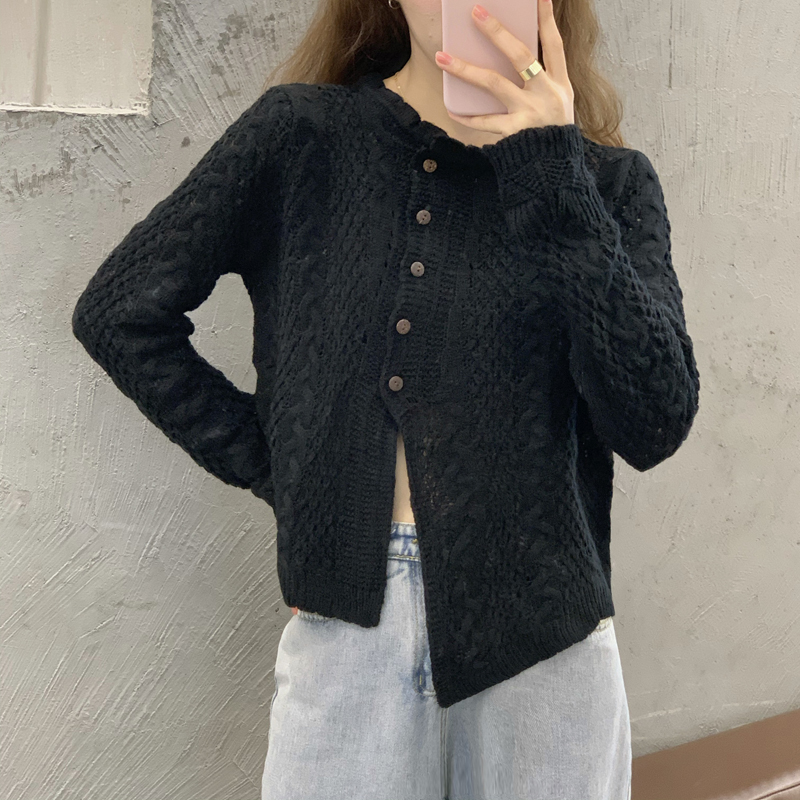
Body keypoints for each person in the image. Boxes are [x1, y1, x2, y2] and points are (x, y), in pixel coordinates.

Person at [71, 0, 700, 797]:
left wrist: (552, 175)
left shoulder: (608, 184)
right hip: (349, 627)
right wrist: (287, 473)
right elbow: (120, 313)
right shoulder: (299, 137)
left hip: (546, 640)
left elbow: (654, 421)